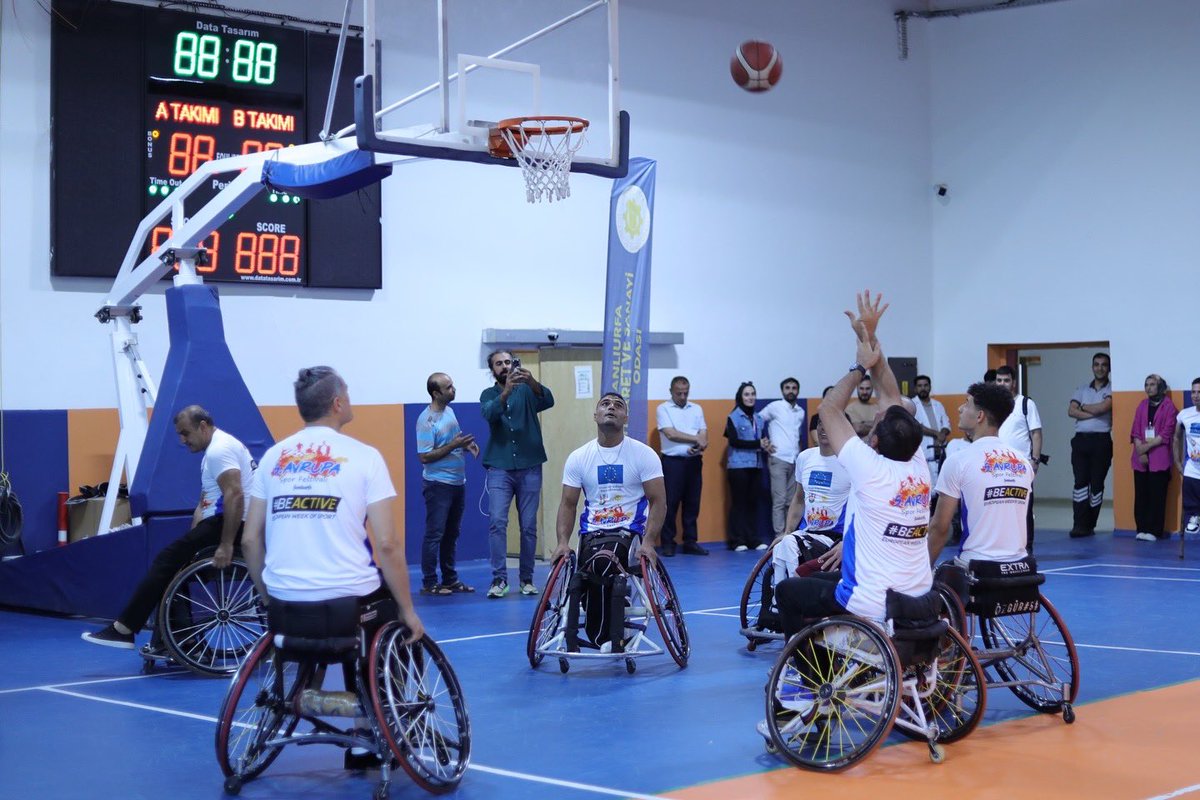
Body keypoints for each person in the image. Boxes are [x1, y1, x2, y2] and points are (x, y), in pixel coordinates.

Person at [772, 291, 933, 641]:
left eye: (876, 422)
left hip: (873, 599)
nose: (877, 413)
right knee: (813, 576)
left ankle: (804, 673)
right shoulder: (920, 467)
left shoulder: (869, 469)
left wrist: (859, 365)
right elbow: (891, 396)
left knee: (788, 591)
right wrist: (869, 337)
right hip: (918, 595)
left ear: (873, 442)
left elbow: (829, 410)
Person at [241, 366, 423, 638]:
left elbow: (249, 540)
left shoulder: (271, 458)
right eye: (347, 394)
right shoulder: (366, 457)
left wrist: (269, 600)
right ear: (337, 404)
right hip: (346, 601)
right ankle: (390, 680)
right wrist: (408, 610)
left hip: (283, 602)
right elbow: (387, 544)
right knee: (394, 615)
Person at [82, 406, 254, 653]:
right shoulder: (215, 450)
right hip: (215, 522)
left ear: (203, 426)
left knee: (165, 561)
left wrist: (227, 545)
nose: (182, 440)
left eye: (186, 433)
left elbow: (235, 495)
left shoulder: (220, 450)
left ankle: (125, 629)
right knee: (171, 566)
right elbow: (204, 502)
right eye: (179, 435)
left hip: (229, 524)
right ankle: (180, 641)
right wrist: (191, 539)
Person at [551, 393, 665, 650]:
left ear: (626, 417)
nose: (611, 407)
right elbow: (568, 504)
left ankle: (605, 635)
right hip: (591, 534)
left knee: (603, 562)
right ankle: (604, 631)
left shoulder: (643, 455)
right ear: (595, 416)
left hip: (629, 532)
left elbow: (659, 502)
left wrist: (648, 542)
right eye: (605, 404)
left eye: (618, 405)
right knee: (584, 571)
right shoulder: (579, 457)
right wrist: (561, 542)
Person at [926, 382, 1033, 593]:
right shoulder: (1023, 462)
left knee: (935, 583)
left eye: (966, 404)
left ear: (980, 416)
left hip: (978, 568)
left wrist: (920, 569)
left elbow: (940, 528)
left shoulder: (959, 461)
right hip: (1022, 565)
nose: (959, 409)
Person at [480, 350, 555, 598]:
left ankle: (527, 579)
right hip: (500, 468)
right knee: (497, 523)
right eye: (498, 364)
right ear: (492, 370)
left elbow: (548, 400)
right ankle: (499, 579)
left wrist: (532, 381)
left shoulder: (528, 391)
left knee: (528, 526)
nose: (504, 366)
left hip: (530, 465)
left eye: (508, 362)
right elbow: (490, 414)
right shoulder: (488, 395)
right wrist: (506, 391)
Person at [416, 372, 479, 594]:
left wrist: (465, 446)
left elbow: (453, 441)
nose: (453, 389)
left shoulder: (450, 412)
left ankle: (450, 579)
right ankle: (429, 582)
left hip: (457, 482)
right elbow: (424, 456)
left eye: (452, 385)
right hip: (437, 485)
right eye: (448, 387)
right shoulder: (426, 421)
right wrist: (454, 445)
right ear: (436, 393)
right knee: (435, 534)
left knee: (452, 533)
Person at [774, 415, 850, 584]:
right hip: (807, 533)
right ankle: (779, 597)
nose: (823, 428)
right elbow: (799, 499)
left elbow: (862, 508)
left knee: (788, 544)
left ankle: (791, 590)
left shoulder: (850, 463)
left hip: (835, 536)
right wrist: (787, 531)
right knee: (782, 544)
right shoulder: (805, 457)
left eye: (829, 423)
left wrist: (849, 540)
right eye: (820, 424)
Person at [655, 376, 709, 556]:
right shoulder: (663, 408)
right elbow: (670, 434)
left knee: (692, 503)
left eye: (686, 393)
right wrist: (696, 439)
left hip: (694, 461)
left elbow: (703, 431)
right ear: (671, 391)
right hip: (672, 463)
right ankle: (668, 543)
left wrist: (701, 444)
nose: (683, 396)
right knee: (670, 503)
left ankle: (690, 541)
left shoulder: (697, 408)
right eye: (679, 393)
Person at [995, 365, 1043, 551]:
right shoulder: (993, 406)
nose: (1002, 384)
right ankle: (1004, 545)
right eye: (999, 380)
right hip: (997, 467)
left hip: (1021, 466)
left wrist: (1035, 461)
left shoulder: (1026, 404)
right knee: (1000, 507)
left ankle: (1026, 546)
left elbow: (1036, 434)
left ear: (1013, 382)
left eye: (1006, 380)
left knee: (1023, 508)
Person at [1068, 352, 1113, 538]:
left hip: (1101, 442)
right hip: (1080, 441)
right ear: (1092, 367)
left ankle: (1089, 524)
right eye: (1096, 364)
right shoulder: (1081, 388)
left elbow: (1103, 408)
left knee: (1096, 485)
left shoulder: (1112, 389)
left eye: (1103, 365)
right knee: (1080, 484)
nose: (1100, 368)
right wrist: (1095, 410)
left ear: (1108, 368)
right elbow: (1071, 411)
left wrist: (1084, 407)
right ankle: (1079, 524)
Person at [1130, 374, 1177, 542]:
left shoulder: (1169, 407)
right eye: (1146, 384)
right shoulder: (1141, 405)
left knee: (1157, 495)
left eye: (1152, 384)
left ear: (1161, 387)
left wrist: (1146, 448)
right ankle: (1141, 528)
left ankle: (1154, 530)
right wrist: (1140, 451)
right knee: (1141, 494)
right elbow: (1135, 429)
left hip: (1159, 457)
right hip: (1140, 458)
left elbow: (1166, 432)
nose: (1148, 387)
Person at [724, 382, 769, 551]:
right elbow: (734, 441)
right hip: (738, 466)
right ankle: (737, 540)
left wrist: (766, 445)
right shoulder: (733, 416)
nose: (750, 397)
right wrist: (758, 443)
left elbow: (762, 440)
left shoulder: (758, 417)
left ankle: (752, 538)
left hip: (756, 465)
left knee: (753, 503)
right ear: (740, 397)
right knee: (739, 504)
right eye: (746, 394)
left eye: (752, 394)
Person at [761, 377, 807, 539]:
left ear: (798, 391)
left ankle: (790, 535)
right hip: (778, 459)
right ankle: (779, 536)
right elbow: (757, 420)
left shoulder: (800, 412)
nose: (791, 391)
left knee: (792, 500)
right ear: (782, 391)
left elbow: (797, 436)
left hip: (795, 460)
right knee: (779, 501)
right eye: (787, 388)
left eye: (794, 388)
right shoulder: (775, 407)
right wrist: (762, 441)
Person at [910, 375, 951, 487]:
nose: (923, 388)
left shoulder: (938, 404)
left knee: (942, 489)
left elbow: (946, 424)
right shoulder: (911, 405)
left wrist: (942, 434)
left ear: (930, 387)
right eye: (920, 386)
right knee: (926, 489)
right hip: (924, 455)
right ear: (915, 389)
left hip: (940, 454)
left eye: (925, 385)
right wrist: (937, 434)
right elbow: (916, 426)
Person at [1174, 378, 1200, 536]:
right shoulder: (1184, 415)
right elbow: (1176, 437)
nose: (1196, 395)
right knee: (1190, 495)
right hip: (1193, 467)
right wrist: (1177, 462)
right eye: (1194, 392)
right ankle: (1195, 518)